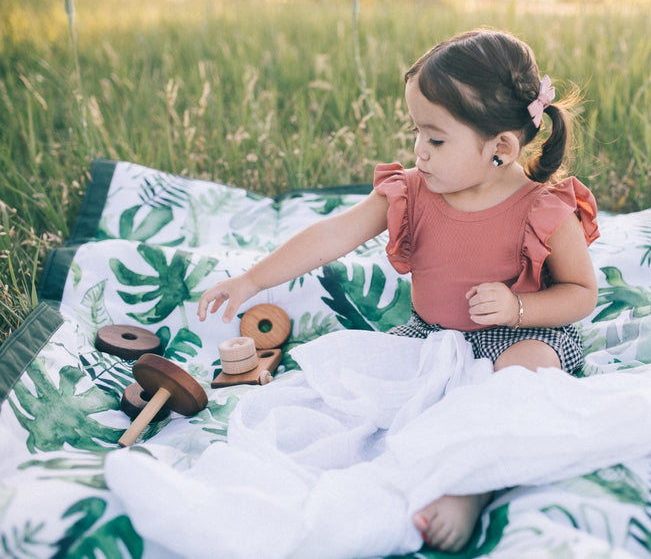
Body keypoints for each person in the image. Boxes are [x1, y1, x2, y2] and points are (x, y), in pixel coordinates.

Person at [197, 28, 600, 553]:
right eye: (416, 133)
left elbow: (581, 293)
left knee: (522, 381)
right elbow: (334, 234)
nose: (419, 152)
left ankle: (470, 485)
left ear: (500, 148)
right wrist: (252, 279)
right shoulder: (412, 190)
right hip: (429, 336)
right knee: (355, 397)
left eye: (436, 140)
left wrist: (518, 306)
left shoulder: (544, 208)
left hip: (520, 336)